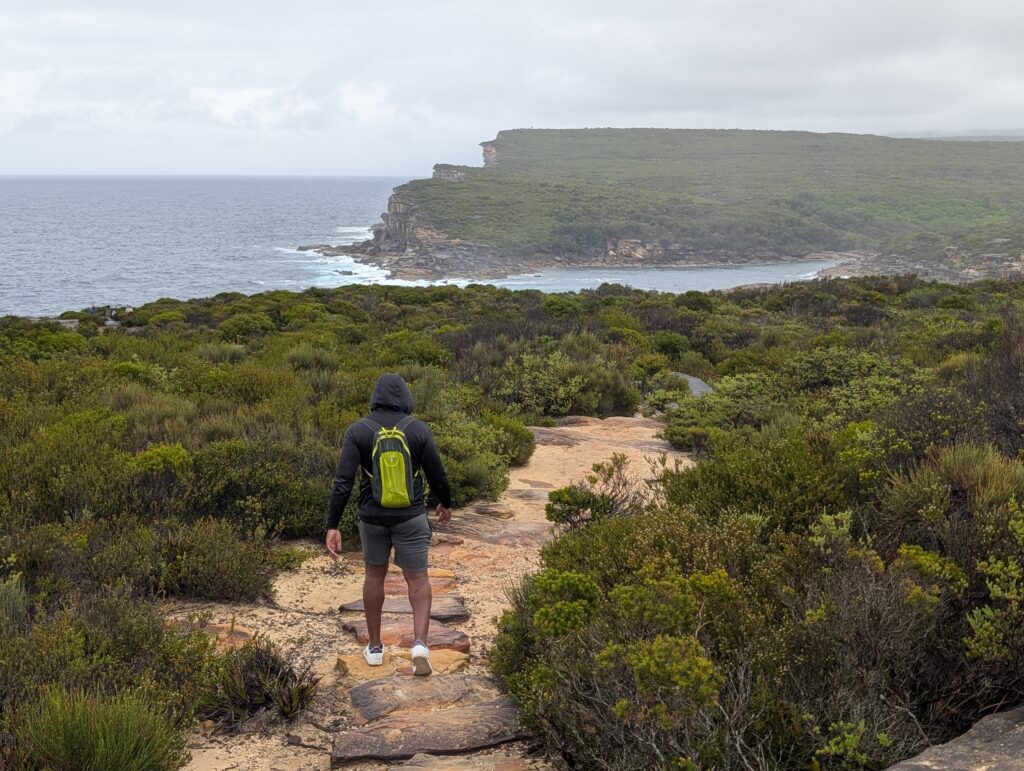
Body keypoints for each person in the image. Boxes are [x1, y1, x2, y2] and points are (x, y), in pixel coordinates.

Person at [326, 373, 452, 676]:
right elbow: (437, 472)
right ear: (406, 397)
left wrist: (333, 524)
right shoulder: (418, 429)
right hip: (411, 516)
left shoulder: (358, 430)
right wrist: (445, 503)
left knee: (374, 577)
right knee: (418, 579)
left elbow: (343, 481)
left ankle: (376, 647)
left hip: (371, 518)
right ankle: (420, 645)